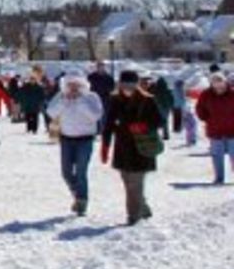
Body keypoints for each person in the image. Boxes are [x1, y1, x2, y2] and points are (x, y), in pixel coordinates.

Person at [100, 69, 163, 225]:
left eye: (131, 85)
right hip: (122, 147)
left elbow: (160, 121)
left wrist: (143, 126)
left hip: (142, 147)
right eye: (124, 84)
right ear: (119, 85)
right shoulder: (115, 99)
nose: (127, 88)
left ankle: (133, 216)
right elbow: (108, 124)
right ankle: (143, 208)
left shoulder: (148, 100)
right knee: (127, 181)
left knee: (134, 182)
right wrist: (105, 145)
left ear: (137, 85)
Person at [46, 73, 104, 214]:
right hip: (67, 138)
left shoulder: (91, 97)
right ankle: (77, 194)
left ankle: (82, 201)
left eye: (76, 85)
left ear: (82, 85)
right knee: (66, 172)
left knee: (81, 171)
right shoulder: (61, 97)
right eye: (70, 85)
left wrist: (79, 101)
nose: (73, 88)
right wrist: (64, 102)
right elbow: (51, 112)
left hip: (85, 138)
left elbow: (96, 115)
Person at [194, 72, 234, 184]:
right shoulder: (206, 94)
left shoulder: (232, 94)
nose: (219, 88)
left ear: (225, 83)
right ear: (212, 84)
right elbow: (199, 108)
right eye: (216, 85)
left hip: (232, 130)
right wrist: (206, 118)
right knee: (217, 156)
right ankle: (219, 178)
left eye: (221, 85)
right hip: (215, 130)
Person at [15, 68, 47, 135]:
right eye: (31, 79)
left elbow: (42, 95)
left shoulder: (39, 87)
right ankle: (29, 128)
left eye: (33, 79)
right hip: (28, 105)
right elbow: (20, 93)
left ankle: (34, 129)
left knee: (35, 117)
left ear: (35, 80)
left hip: (35, 105)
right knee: (28, 117)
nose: (32, 81)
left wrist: (42, 101)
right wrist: (18, 99)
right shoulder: (26, 86)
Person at [148, 73, 176, 140]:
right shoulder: (168, 91)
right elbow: (172, 100)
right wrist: (172, 108)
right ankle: (166, 135)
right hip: (166, 108)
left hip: (158, 107)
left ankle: (155, 134)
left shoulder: (156, 90)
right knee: (165, 121)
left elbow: (151, 96)